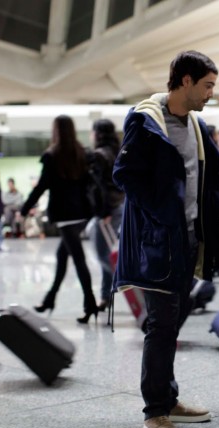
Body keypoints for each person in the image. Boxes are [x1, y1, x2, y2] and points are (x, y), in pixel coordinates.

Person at [112, 51, 219, 428]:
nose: (210, 94)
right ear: (185, 81)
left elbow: (201, 178)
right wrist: (162, 213)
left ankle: (167, 399)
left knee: (171, 320)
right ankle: (155, 411)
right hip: (159, 240)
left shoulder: (198, 126)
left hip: (189, 238)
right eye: (207, 85)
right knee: (161, 323)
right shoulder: (146, 120)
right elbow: (125, 174)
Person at [21, 115, 97, 324]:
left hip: (64, 215)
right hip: (81, 213)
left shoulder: (52, 155)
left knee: (79, 261)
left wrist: (25, 208)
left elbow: (41, 186)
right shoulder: (81, 152)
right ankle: (50, 299)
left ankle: (90, 304)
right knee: (62, 256)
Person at [88, 119, 124, 312]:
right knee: (108, 254)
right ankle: (105, 296)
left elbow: (99, 187)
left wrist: (103, 212)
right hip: (119, 205)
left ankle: (128, 285)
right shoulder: (118, 151)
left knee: (103, 254)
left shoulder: (99, 155)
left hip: (107, 210)